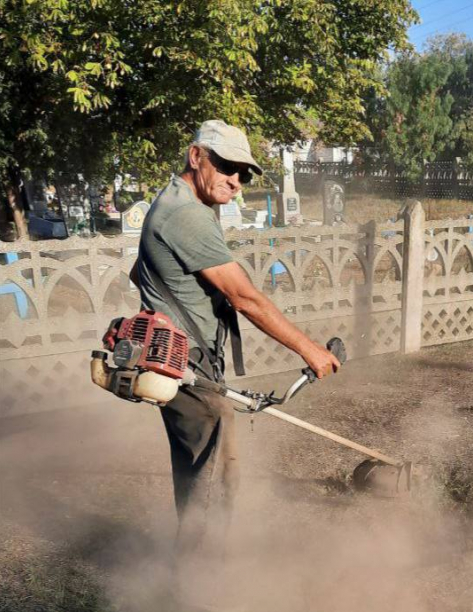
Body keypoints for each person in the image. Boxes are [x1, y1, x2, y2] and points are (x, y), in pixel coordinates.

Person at [130, 120, 340, 582]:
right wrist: (311, 351)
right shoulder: (183, 214)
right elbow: (246, 299)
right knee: (206, 477)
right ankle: (198, 585)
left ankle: (210, 567)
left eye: (243, 173)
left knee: (216, 469)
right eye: (226, 166)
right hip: (186, 368)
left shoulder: (186, 204)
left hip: (188, 361)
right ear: (195, 156)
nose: (236, 180)